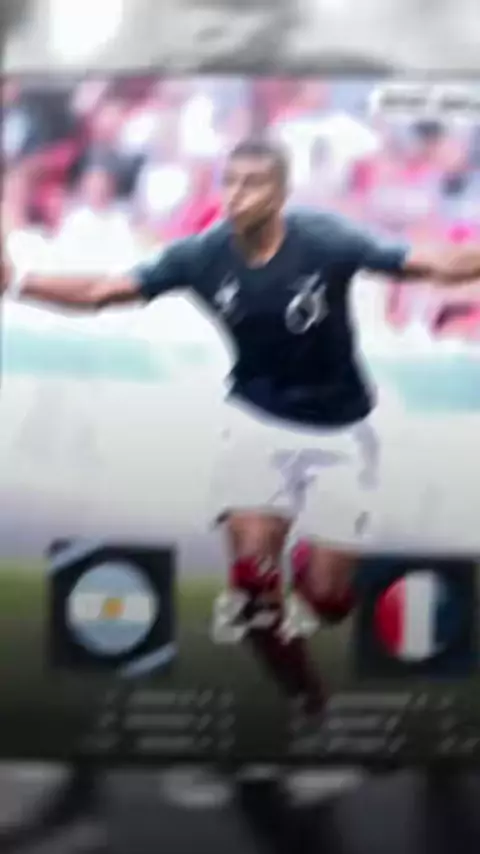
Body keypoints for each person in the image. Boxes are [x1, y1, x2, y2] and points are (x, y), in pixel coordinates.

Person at [4, 138, 480, 713]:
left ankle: (310, 577)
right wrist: (18, 281)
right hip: (256, 422)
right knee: (253, 584)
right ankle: (306, 699)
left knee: (329, 601)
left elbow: (429, 264)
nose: (237, 194)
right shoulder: (203, 255)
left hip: (341, 432)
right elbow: (105, 292)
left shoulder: (324, 240)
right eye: (230, 182)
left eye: (252, 183)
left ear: (279, 193)